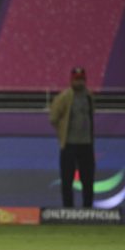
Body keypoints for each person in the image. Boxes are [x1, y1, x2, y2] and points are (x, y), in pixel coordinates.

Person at [49, 67, 95, 207]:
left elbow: (91, 115)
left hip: (86, 144)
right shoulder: (64, 97)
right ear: (71, 80)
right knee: (67, 179)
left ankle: (88, 209)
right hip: (69, 145)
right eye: (76, 79)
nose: (79, 82)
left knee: (88, 179)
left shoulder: (89, 96)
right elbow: (53, 118)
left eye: (81, 79)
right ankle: (68, 210)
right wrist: (61, 134)